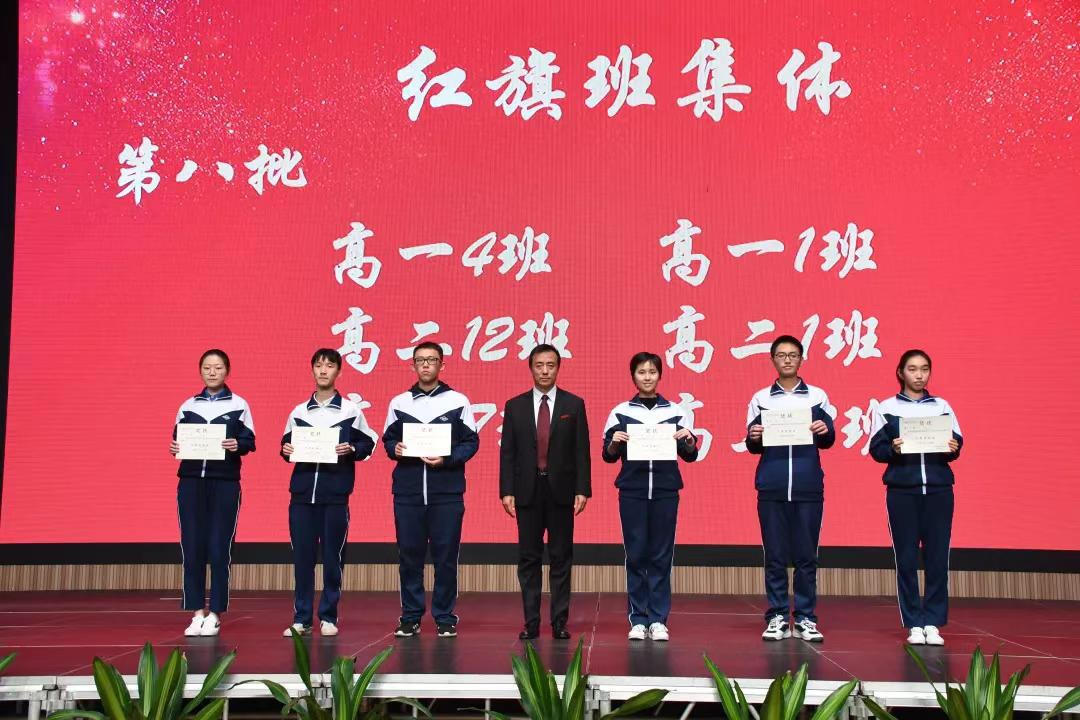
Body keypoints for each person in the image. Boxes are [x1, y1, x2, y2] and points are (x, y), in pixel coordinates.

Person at [383, 342, 479, 638]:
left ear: (442, 365)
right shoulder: (399, 403)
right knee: (409, 556)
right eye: (420, 360)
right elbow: (388, 441)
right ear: (413, 365)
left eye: (431, 360)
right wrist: (396, 449)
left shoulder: (458, 401)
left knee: (445, 557)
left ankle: (445, 616)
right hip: (408, 493)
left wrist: (446, 459)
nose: (425, 365)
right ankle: (410, 616)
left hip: (446, 493)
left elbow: (471, 443)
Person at [280, 349, 377, 637]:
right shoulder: (299, 412)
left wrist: (352, 449)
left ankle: (329, 616)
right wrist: (286, 450)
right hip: (301, 497)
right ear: (312, 370)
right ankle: (301, 618)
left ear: (339, 372)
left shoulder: (350, 411)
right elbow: (286, 447)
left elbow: (368, 445)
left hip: (335, 495)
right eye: (319, 365)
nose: (323, 370)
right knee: (303, 560)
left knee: (333, 558)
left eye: (330, 366)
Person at [602, 351, 698, 642]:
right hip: (632, 491)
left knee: (661, 555)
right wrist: (614, 443)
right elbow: (608, 455)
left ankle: (658, 619)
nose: (647, 377)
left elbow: (690, 455)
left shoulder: (677, 412)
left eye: (652, 372)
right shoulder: (620, 412)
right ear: (633, 376)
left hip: (666, 491)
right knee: (636, 554)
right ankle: (638, 619)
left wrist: (688, 441)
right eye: (641, 372)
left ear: (660, 375)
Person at [745, 335, 835, 643]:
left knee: (807, 556)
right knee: (775, 555)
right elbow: (752, 444)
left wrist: (824, 430)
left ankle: (806, 617)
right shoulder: (760, 399)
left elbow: (828, 438)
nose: (787, 360)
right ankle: (778, 616)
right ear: (773, 359)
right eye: (781, 355)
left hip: (808, 486)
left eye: (793, 355)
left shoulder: (818, 397)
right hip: (771, 486)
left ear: (801, 359)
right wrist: (754, 436)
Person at [869, 349, 962, 646]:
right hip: (902, 491)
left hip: (939, 490)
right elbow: (876, 450)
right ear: (901, 373)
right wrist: (892, 449)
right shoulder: (886, 408)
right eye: (912, 369)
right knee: (906, 559)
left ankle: (932, 622)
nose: (919, 375)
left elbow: (956, 444)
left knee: (937, 558)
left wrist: (953, 447)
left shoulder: (942, 406)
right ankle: (913, 623)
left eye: (924, 369)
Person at [499, 344, 591, 640]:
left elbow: (581, 451)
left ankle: (559, 622)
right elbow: (508, 453)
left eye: (550, 365)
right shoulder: (515, 406)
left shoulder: (573, 404)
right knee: (529, 558)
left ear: (558, 368)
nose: (545, 371)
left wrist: (583, 489)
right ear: (531, 368)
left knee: (561, 557)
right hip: (527, 489)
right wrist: (506, 490)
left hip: (561, 490)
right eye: (539, 365)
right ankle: (531, 622)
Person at [171, 349, 256, 637]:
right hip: (191, 482)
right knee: (192, 546)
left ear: (227, 371)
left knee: (220, 548)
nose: (212, 372)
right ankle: (196, 613)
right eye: (207, 367)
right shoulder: (188, 405)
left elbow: (249, 441)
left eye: (218, 367)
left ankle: (216, 613)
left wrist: (237, 445)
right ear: (200, 371)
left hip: (225, 482)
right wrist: (175, 448)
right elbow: (178, 439)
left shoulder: (239, 405)